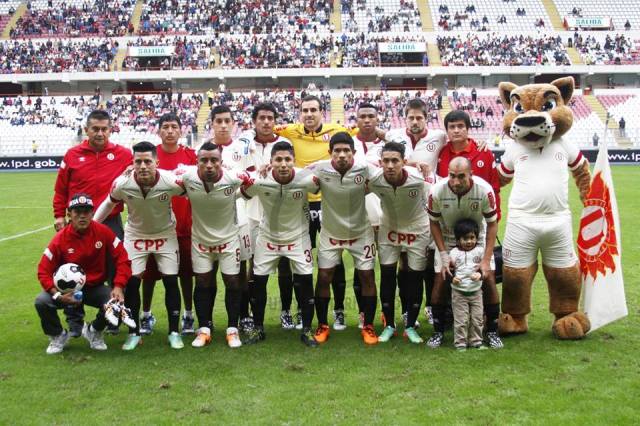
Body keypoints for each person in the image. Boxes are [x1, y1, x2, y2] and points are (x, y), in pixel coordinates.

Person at [274, 95, 361, 330]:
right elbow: (264, 129)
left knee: (335, 259)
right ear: (300, 113)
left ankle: (339, 310)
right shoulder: (290, 131)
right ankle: (299, 311)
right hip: (300, 204)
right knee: (295, 260)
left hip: (328, 203)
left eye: (313, 110)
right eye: (305, 110)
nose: (309, 114)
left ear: (322, 112)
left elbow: (364, 130)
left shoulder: (337, 130)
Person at [94, 142, 184, 351]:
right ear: (132, 163)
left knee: (171, 281)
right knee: (132, 283)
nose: (143, 166)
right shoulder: (122, 183)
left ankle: (174, 332)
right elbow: (108, 203)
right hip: (136, 237)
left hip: (165, 235)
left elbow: (193, 192)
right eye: (138, 162)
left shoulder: (171, 181)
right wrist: (94, 226)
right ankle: (134, 333)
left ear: (157, 162)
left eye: (147, 161)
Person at [52, 110, 132, 336]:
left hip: (110, 221)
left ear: (111, 130)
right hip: (77, 223)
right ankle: (75, 321)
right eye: (95, 129)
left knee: (116, 269)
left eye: (104, 129)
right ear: (86, 130)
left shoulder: (123, 155)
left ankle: (112, 318)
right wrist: (59, 215)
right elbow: (60, 189)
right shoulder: (72, 155)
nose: (100, 133)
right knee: (71, 272)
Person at [227, 103, 298, 331]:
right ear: (254, 121)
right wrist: (255, 173)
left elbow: (293, 172)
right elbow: (233, 172)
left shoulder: (284, 144)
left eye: (270, 118)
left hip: (280, 213)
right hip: (250, 212)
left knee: (285, 263)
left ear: (275, 121)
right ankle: (248, 314)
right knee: (251, 265)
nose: (266, 122)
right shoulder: (243, 144)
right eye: (262, 118)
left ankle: (286, 312)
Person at [240, 141, 319, 347]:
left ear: (294, 160)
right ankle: (258, 328)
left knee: (306, 281)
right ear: (271, 161)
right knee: (259, 282)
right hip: (268, 238)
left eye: (287, 159)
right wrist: (252, 173)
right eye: (278, 160)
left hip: (298, 238)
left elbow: (326, 177)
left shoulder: (306, 178)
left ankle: (307, 330)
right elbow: (241, 189)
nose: (283, 164)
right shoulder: (260, 179)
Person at [35, 193, 131, 354]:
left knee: (116, 303)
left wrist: (118, 286)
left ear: (92, 213)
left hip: (94, 288)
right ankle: (58, 335)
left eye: (86, 211)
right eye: (77, 212)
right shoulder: (60, 239)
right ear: (69, 214)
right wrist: (57, 295)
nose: (82, 216)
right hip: (66, 292)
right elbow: (43, 270)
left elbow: (123, 258)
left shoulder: (104, 232)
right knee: (42, 301)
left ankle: (93, 331)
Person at [307, 132, 379, 345]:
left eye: (346, 150)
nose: (341, 155)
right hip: (331, 233)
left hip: (361, 233)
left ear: (353, 152)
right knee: (324, 277)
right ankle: (322, 325)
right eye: (337, 150)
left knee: (367, 277)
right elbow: (295, 174)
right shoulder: (320, 168)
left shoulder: (365, 168)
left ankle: (368, 326)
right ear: (330, 152)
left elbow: (388, 173)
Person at [180, 142, 252, 348]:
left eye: (214, 160)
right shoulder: (186, 177)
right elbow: (162, 175)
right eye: (204, 160)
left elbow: (255, 181)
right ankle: (204, 329)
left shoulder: (234, 177)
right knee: (202, 282)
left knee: (232, 281)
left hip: (229, 240)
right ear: (197, 162)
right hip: (201, 242)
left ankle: (232, 329)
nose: (209, 165)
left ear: (221, 161)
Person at [427, 157, 503, 349]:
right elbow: (433, 223)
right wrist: (444, 255)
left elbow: (492, 224)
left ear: (471, 174)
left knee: (488, 279)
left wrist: (486, 260)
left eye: (461, 176)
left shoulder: (484, 190)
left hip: (476, 237)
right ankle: (438, 332)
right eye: (452, 175)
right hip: (448, 238)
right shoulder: (436, 190)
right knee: (440, 281)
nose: (456, 181)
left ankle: (492, 332)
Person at [367, 142, 435, 344]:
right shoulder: (375, 179)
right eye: (386, 161)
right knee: (387, 276)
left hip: (417, 230)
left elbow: (435, 199)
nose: (390, 165)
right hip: (389, 230)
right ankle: (389, 325)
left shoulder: (419, 180)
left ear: (404, 162)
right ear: (380, 162)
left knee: (415, 278)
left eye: (395, 161)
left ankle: (411, 326)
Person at [140, 113, 197, 336]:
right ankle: (146, 315)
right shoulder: (150, 156)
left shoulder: (191, 155)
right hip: (154, 228)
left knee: (185, 274)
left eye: (174, 126)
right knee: (148, 276)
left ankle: (188, 315)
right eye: (165, 127)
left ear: (181, 130)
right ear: (159, 131)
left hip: (184, 227)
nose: (170, 131)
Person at [449, 219, 486, 351]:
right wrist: (452, 278)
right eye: (465, 238)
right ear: (458, 240)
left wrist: (480, 275)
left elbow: (485, 268)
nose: (469, 241)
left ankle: (476, 341)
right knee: (461, 320)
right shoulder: (453, 253)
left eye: (472, 237)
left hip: (476, 292)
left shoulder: (480, 251)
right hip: (459, 293)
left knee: (477, 318)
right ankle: (460, 343)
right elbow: (449, 270)